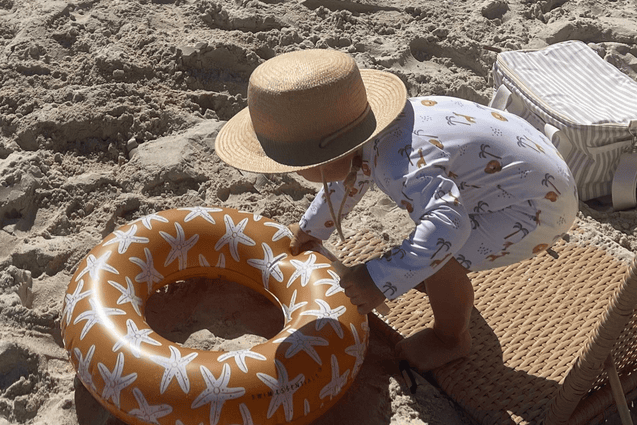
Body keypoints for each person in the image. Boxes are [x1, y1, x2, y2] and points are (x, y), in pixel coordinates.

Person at [215, 49, 578, 372]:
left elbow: (449, 227)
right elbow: (347, 176)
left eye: (296, 166)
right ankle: (430, 281)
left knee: (442, 256)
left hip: (537, 207)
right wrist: (314, 229)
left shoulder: (397, 165)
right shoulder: (374, 130)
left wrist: (378, 279)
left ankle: (451, 338)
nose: (295, 173)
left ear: (327, 155)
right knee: (431, 240)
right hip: (523, 170)